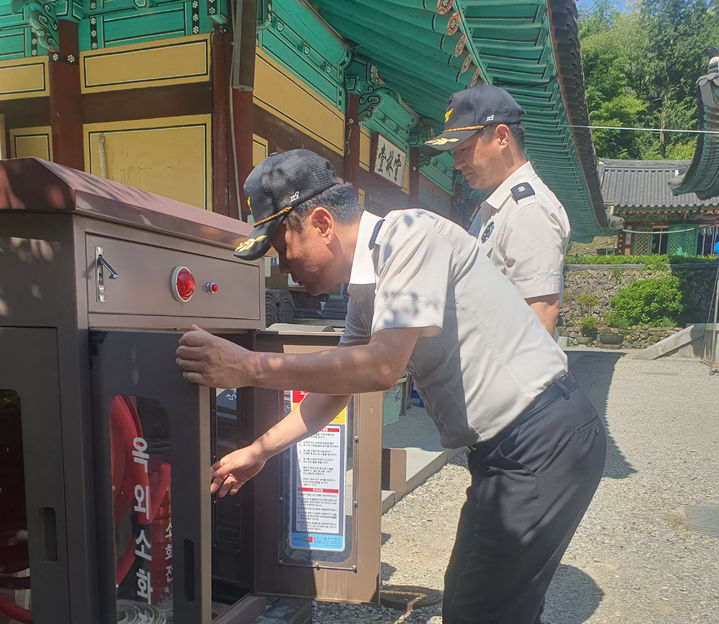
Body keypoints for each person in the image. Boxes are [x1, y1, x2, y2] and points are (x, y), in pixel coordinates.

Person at [176, 149, 606, 624]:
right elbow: (336, 391)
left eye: (281, 246)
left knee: (478, 609)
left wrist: (248, 367)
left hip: (541, 439)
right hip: (516, 450)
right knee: (483, 603)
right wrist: (259, 450)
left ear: (321, 223)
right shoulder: (367, 286)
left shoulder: (409, 234)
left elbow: (380, 368)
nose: (283, 266)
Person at [422, 85, 571, 336]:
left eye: (465, 150)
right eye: (454, 155)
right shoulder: (496, 207)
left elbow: (539, 319)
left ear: (502, 137)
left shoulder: (528, 210)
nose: (457, 164)